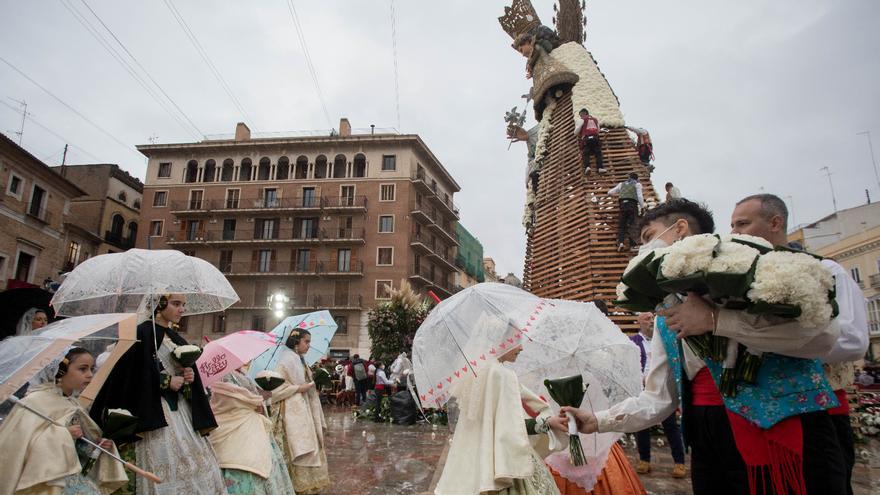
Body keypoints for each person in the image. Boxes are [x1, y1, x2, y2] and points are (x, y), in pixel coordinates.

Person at [560, 199, 847, 495]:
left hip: (786, 436)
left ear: (680, 229)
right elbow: (659, 398)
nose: (641, 250)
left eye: (648, 237)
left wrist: (717, 320)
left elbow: (822, 339)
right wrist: (596, 420)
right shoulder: (665, 312)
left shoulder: (751, 274)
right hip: (708, 441)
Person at [730, 193, 869, 495]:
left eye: (742, 223)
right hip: (762, 416)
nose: (734, 233)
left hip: (822, 411)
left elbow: (854, 341)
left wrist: (774, 340)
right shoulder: (737, 283)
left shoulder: (827, 271)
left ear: (776, 223)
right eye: (732, 226)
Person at [89, 294, 227, 495]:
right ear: (159, 305)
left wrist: (187, 376)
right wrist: (165, 381)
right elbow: (132, 374)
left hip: (180, 411)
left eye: (183, 304)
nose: (182, 309)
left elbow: (183, 377)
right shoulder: (143, 333)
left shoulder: (176, 337)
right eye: (176, 304)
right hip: (154, 410)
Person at [435, 343, 567, 494]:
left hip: (471, 460)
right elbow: (512, 428)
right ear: (500, 340)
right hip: (500, 462)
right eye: (517, 341)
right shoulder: (503, 375)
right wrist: (547, 422)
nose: (521, 348)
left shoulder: (476, 371)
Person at [0, 347, 128, 494]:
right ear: (60, 371)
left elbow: (80, 449)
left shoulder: (72, 402)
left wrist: (96, 446)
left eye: (91, 369)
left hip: (73, 477)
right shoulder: (34, 402)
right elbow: (16, 447)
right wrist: (64, 434)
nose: (90, 375)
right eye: (82, 369)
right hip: (48, 480)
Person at [208, 369, 295, 495]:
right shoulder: (221, 373)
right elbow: (227, 398)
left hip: (250, 423)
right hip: (235, 427)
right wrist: (258, 398)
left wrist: (258, 396)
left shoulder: (241, 372)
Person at [270, 329, 330, 494]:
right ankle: (294, 484)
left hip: (304, 406)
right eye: (306, 342)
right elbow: (277, 388)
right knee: (298, 446)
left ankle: (307, 483)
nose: (309, 345)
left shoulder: (300, 359)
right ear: (296, 342)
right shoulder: (286, 360)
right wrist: (299, 388)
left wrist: (311, 385)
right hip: (291, 409)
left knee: (309, 444)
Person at [629, 312, 687, 478]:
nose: (650, 321)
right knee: (642, 426)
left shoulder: (662, 340)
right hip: (642, 389)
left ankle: (679, 462)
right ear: (638, 321)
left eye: (652, 318)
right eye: (646, 319)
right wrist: (640, 379)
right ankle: (644, 459)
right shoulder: (633, 342)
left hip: (662, 388)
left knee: (670, 425)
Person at [608, 172, 645, 251]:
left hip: (622, 206)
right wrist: (642, 207)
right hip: (632, 206)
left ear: (629, 177)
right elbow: (639, 196)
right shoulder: (637, 184)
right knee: (632, 225)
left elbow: (610, 192)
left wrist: (618, 195)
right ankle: (633, 246)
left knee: (622, 225)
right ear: (637, 178)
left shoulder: (622, 184)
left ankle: (621, 243)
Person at [575, 109, 606, 175]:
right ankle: (600, 168)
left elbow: (576, 131)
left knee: (586, 153)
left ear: (585, 113)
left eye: (581, 115)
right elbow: (598, 130)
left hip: (586, 139)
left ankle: (587, 167)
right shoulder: (595, 119)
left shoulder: (582, 120)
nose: (581, 117)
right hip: (595, 138)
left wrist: (579, 132)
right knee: (598, 153)